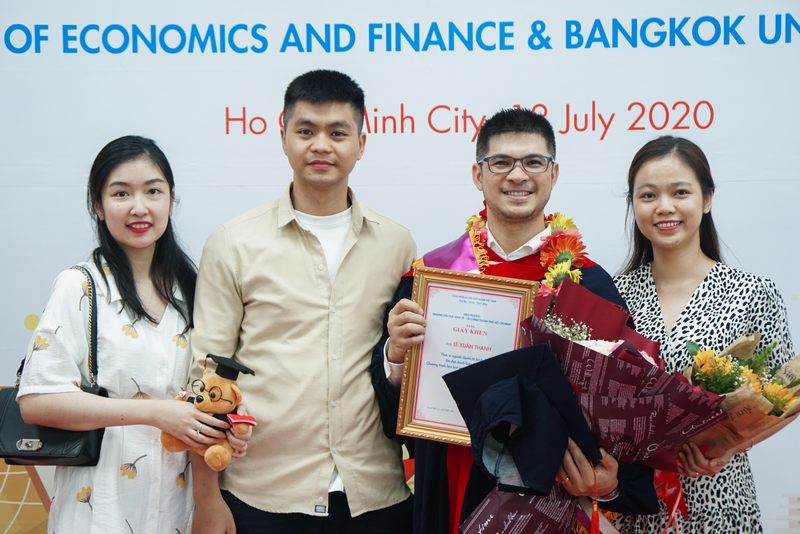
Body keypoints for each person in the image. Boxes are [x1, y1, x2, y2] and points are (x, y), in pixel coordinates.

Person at [371, 108, 659, 534]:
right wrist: (395, 360)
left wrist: (611, 483)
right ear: (478, 175)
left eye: (533, 162)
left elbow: (625, 413)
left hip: (552, 499)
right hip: (453, 482)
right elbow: (395, 423)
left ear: (553, 174)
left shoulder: (589, 286)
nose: (518, 175)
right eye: (501, 162)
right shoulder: (432, 279)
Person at [189, 69, 416, 534]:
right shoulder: (233, 243)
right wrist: (207, 499)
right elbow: (205, 378)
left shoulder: (396, 244)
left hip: (374, 494)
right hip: (262, 494)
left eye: (338, 133)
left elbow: (404, 367)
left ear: (361, 143)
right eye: (306, 131)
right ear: (283, 137)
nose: (321, 146)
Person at [17, 135, 236, 533]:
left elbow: (207, 400)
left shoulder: (193, 290)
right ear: (98, 206)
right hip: (98, 512)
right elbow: (37, 401)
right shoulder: (80, 286)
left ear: (171, 199)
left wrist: (213, 486)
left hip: (178, 511)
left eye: (153, 191)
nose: (139, 207)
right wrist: (153, 413)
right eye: (121, 193)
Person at [612, 136, 795, 533]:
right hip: (634, 503)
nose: (664, 207)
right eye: (648, 195)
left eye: (680, 192)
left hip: (719, 497)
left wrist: (731, 445)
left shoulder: (752, 293)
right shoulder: (613, 295)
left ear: (707, 198)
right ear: (634, 204)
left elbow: (785, 396)